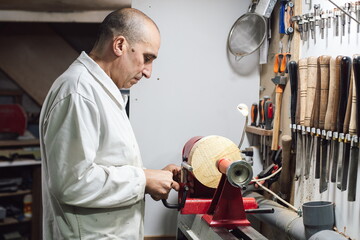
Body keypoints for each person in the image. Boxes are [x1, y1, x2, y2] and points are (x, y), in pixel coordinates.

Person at [39, 8, 180, 239]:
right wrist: (143, 180)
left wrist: (150, 178)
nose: (148, 72)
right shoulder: (78, 91)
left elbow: (106, 162)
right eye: (147, 58)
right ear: (120, 45)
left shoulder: (100, 90)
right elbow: (72, 182)